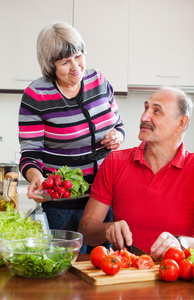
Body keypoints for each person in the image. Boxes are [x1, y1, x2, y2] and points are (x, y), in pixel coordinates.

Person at [79, 87, 194, 261]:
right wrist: (107, 229)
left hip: (179, 275)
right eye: (146, 108)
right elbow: (85, 230)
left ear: (181, 123)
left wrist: (182, 243)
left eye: (156, 111)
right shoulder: (115, 162)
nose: (144, 117)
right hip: (127, 274)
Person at [18, 22, 125, 252]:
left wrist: (118, 136)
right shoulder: (36, 95)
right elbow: (30, 151)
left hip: (106, 197)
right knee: (68, 265)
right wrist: (35, 176)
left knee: (107, 262)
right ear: (50, 66)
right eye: (65, 62)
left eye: (78, 56)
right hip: (63, 204)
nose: (76, 67)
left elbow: (118, 125)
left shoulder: (99, 81)